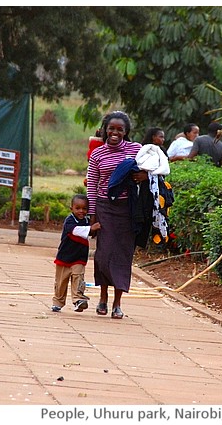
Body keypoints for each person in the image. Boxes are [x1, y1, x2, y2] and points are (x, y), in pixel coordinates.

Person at [86, 110, 147, 319]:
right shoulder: (97, 154)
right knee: (103, 254)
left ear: (126, 131)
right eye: (111, 128)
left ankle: (117, 302)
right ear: (104, 130)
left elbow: (156, 170)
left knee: (123, 255)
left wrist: (144, 175)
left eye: (120, 129)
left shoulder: (136, 149)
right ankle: (102, 297)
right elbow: (92, 185)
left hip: (128, 209)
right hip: (105, 208)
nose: (115, 132)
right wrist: (92, 214)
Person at [52, 194, 101, 313]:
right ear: (71, 209)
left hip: (79, 258)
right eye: (77, 208)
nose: (81, 211)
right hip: (64, 257)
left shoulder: (88, 221)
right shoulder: (69, 221)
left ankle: (78, 300)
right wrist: (91, 229)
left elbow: (91, 233)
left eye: (84, 209)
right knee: (61, 282)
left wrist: (94, 229)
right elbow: (76, 231)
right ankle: (58, 301)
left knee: (78, 279)